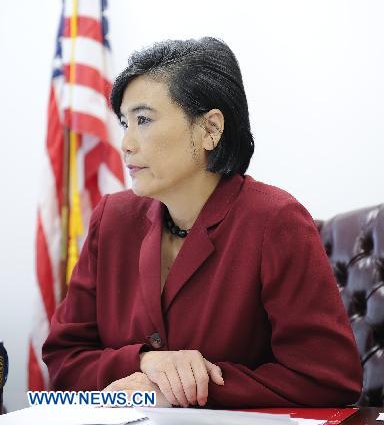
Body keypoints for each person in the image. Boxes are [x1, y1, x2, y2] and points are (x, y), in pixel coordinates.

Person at [42, 37, 363, 409]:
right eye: (124, 123)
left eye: (143, 120)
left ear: (210, 129)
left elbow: (329, 379)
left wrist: (184, 391)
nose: (126, 143)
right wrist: (147, 362)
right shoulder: (111, 218)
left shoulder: (276, 220)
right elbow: (62, 360)